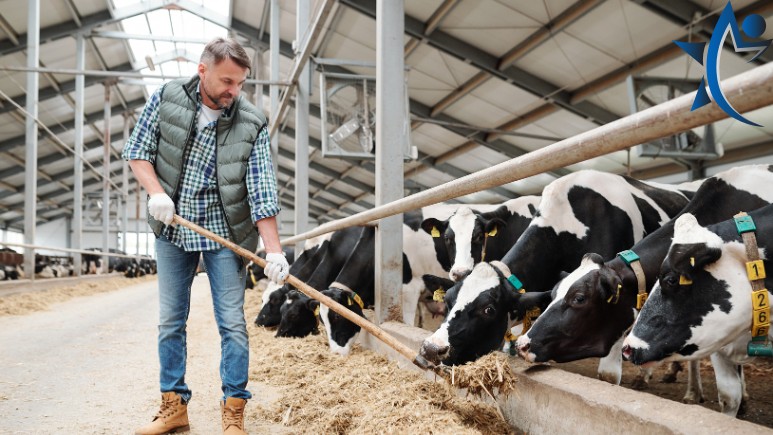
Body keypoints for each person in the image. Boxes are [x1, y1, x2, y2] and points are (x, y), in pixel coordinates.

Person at [123, 37, 290, 435]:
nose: (234, 91)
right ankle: (173, 405)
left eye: (241, 84)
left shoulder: (251, 121)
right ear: (203, 71)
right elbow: (137, 150)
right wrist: (157, 194)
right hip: (174, 225)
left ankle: (234, 410)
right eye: (228, 81)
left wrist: (275, 251)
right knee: (170, 321)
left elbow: (261, 188)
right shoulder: (166, 98)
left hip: (225, 232)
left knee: (232, 323)